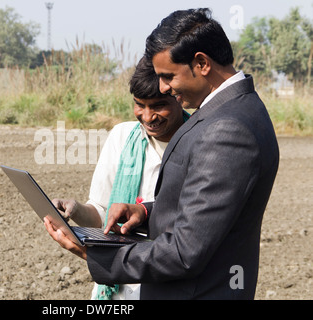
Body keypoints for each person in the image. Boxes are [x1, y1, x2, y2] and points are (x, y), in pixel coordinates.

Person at [45, 8, 279, 300]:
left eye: (168, 76)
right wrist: (145, 211)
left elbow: (184, 252)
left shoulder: (227, 129)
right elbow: (209, 207)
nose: (164, 87)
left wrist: (94, 254)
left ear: (202, 63)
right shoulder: (238, 109)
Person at [51, 56, 188, 300]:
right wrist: (75, 210)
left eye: (158, 106)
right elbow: (102, 214)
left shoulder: (198, 143)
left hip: (166, 287)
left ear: (178, 97)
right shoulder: (122, 136)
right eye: (139, 105)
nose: (147, 116)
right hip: (115, 289)